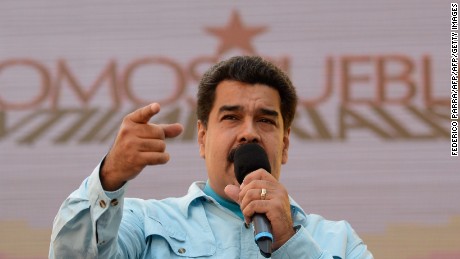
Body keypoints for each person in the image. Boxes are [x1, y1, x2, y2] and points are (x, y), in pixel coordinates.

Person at [49, 56, 373, 258]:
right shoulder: (144, 222)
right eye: (231, 117)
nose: (249, 133)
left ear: (285, 145)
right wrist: (109, 177)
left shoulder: (339, 242)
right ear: (202, 138)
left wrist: (288, 242)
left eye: (265, 120)